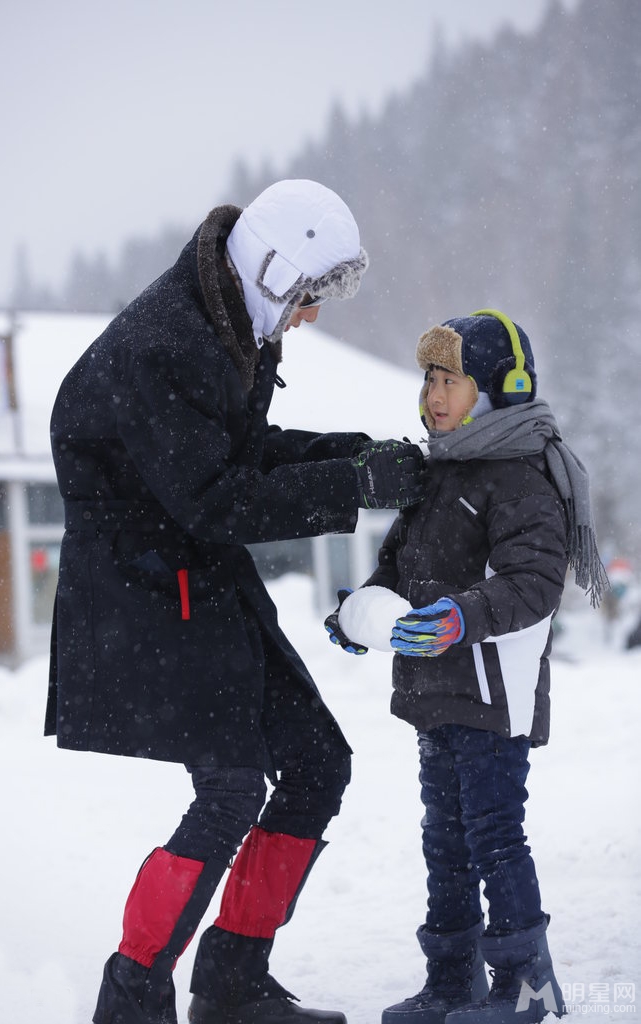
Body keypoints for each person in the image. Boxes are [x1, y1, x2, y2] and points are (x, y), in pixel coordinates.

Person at [45, 178, 426, 1024]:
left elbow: (243, 453)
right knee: (231, 787)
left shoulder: (230, 317)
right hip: (143, 592)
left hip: (200, 576)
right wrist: (352, 484)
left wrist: (359, 455)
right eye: (307, 297)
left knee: (318, 761)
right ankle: (131, 996)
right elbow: (216, 497)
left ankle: (232, 981)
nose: (310, 318)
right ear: (273, 269)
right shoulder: (164, 345)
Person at [324, 309, 607, 1024]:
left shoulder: (518, 476)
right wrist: (360, 612)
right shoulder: (435, 473)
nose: (433, 393)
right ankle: (452, 980)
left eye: (450, 378)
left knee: (492, 834)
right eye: (428, 378)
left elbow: (533, 584)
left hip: (490, 692)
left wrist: (459, 616)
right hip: (434, 692)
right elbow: (396, 567)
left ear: (500, 389)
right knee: (443, 840)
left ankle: (525, 985)